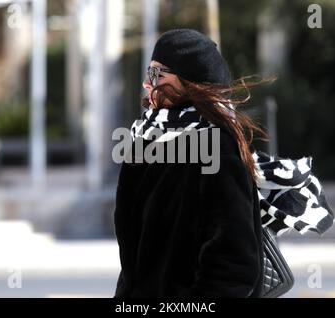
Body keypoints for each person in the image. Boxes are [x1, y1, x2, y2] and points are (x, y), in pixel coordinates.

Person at [113, 28, 268, 298]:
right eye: (148, 72)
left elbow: (234, 263)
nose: (147, 83)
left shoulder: (217, 146)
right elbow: (133, 265)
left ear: (189, 82)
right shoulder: (143, 141)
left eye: (156, 73)